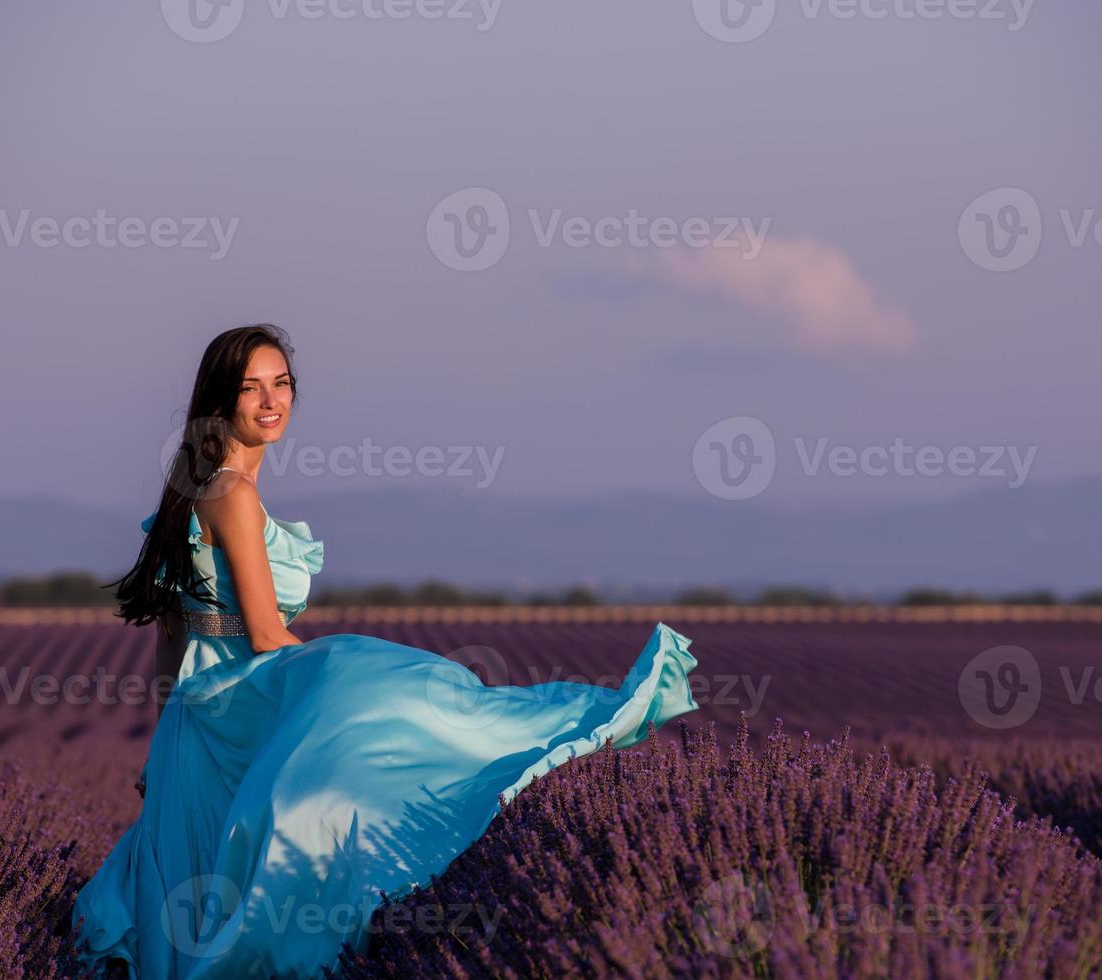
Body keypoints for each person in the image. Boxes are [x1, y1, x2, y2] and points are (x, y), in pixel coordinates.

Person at [72, 323, 700, 978]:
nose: (270, 401)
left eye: (280, 384)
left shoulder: (198, 485)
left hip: (198, 728)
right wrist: (346, 685)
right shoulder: (232, 491)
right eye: (250, 388)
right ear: (219, 400)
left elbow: (173, 633)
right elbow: (261, 635)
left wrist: (163, 744)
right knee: (370, 725)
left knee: (194, 903)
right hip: (232, 720)